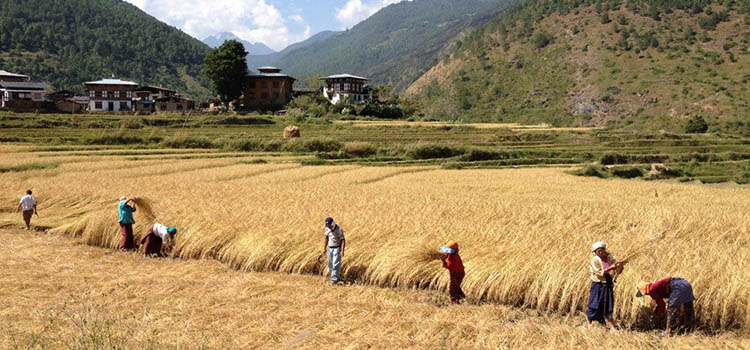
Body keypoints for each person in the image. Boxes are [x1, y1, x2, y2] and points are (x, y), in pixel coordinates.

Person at [588, 241, 626, 328]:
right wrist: (611, 268)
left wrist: (620, 266)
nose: (601, 253)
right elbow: (599, 273)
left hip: (608, 283)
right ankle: (590, 323)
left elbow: (618, 270)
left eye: (602, 250)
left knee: (607, 304)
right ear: (595, 252)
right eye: (599, 251)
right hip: (598, 283)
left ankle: (611, 324)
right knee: (595, 302)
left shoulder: (610, 258)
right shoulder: (595, 260)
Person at [322, 217, 345, 285]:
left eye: (330, 225)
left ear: (333, 223)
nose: (330, 227)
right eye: (328, 226)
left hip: (337, 248)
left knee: (335, 264)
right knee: (330, 264)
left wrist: (342, 250)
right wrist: (324, 248)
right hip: (330, 248)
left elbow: (343, 240)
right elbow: (326, 238)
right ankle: (333, 277)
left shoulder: (339, 229)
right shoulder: (327, 229)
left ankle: (334, 280)